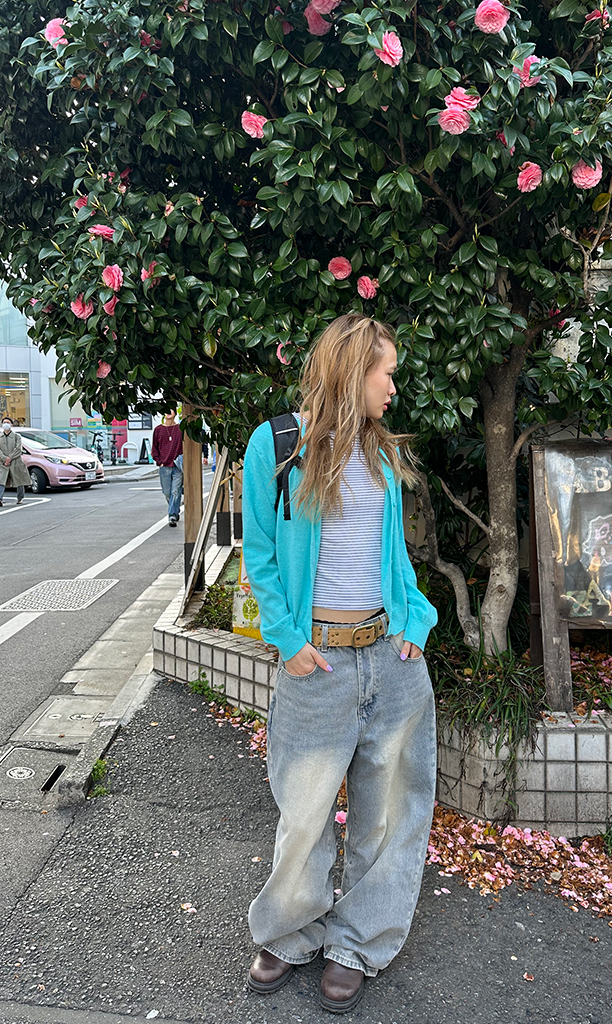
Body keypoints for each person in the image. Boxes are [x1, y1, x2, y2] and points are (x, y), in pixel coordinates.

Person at [242, 313, 438, 1014]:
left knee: (385, 816)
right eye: (387, 372)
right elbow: (260, 553)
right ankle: (291, 931)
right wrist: (286, 639)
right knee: (304, 815)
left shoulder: (382, 456)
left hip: (390, 661)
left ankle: (356, 942)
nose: (394, 387)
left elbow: (394, 560)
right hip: (316, 665)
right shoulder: (279, 445)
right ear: (354, 371)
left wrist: (415, 621)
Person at [151, 408, 183, 527]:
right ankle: (175, 510)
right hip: (164, 467)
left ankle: (172, 516)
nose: (169, 411)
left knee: (175, 491)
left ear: (175, 413)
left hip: (177, 466)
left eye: (171, 409)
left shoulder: (180, 429)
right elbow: (154, 448)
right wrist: (159, 462)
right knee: (167, 493)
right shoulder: (158, 430)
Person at [0, 417, 31, 506]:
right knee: (1, 480)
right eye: (4, 422)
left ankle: (20, 497)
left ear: (11, 425)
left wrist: (10, 457)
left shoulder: (17, 436)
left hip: (16, 461)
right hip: (3, 462)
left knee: (18, 480)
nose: (6, 424)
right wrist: (4, 458)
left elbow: (18, 449)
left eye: (8, 422)